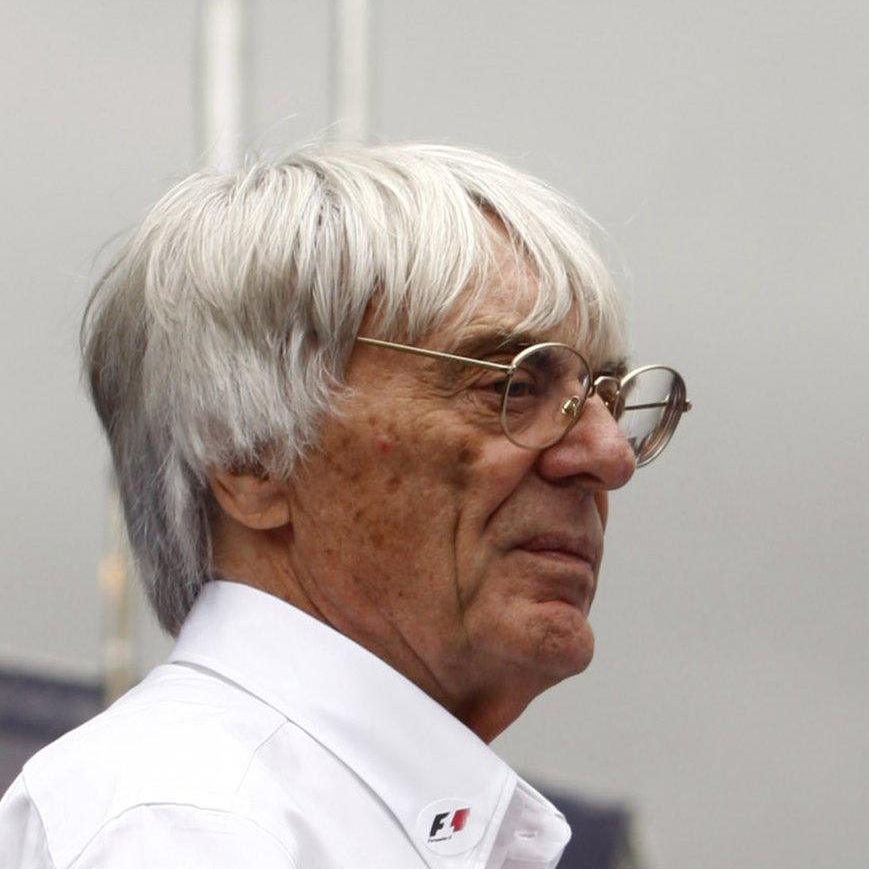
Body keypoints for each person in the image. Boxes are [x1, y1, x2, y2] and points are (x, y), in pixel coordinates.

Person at [0, 143, 688, 867]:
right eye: (513, 386)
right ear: (252, 455)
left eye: (608, 398)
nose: (609, 457)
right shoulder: (196, 821)